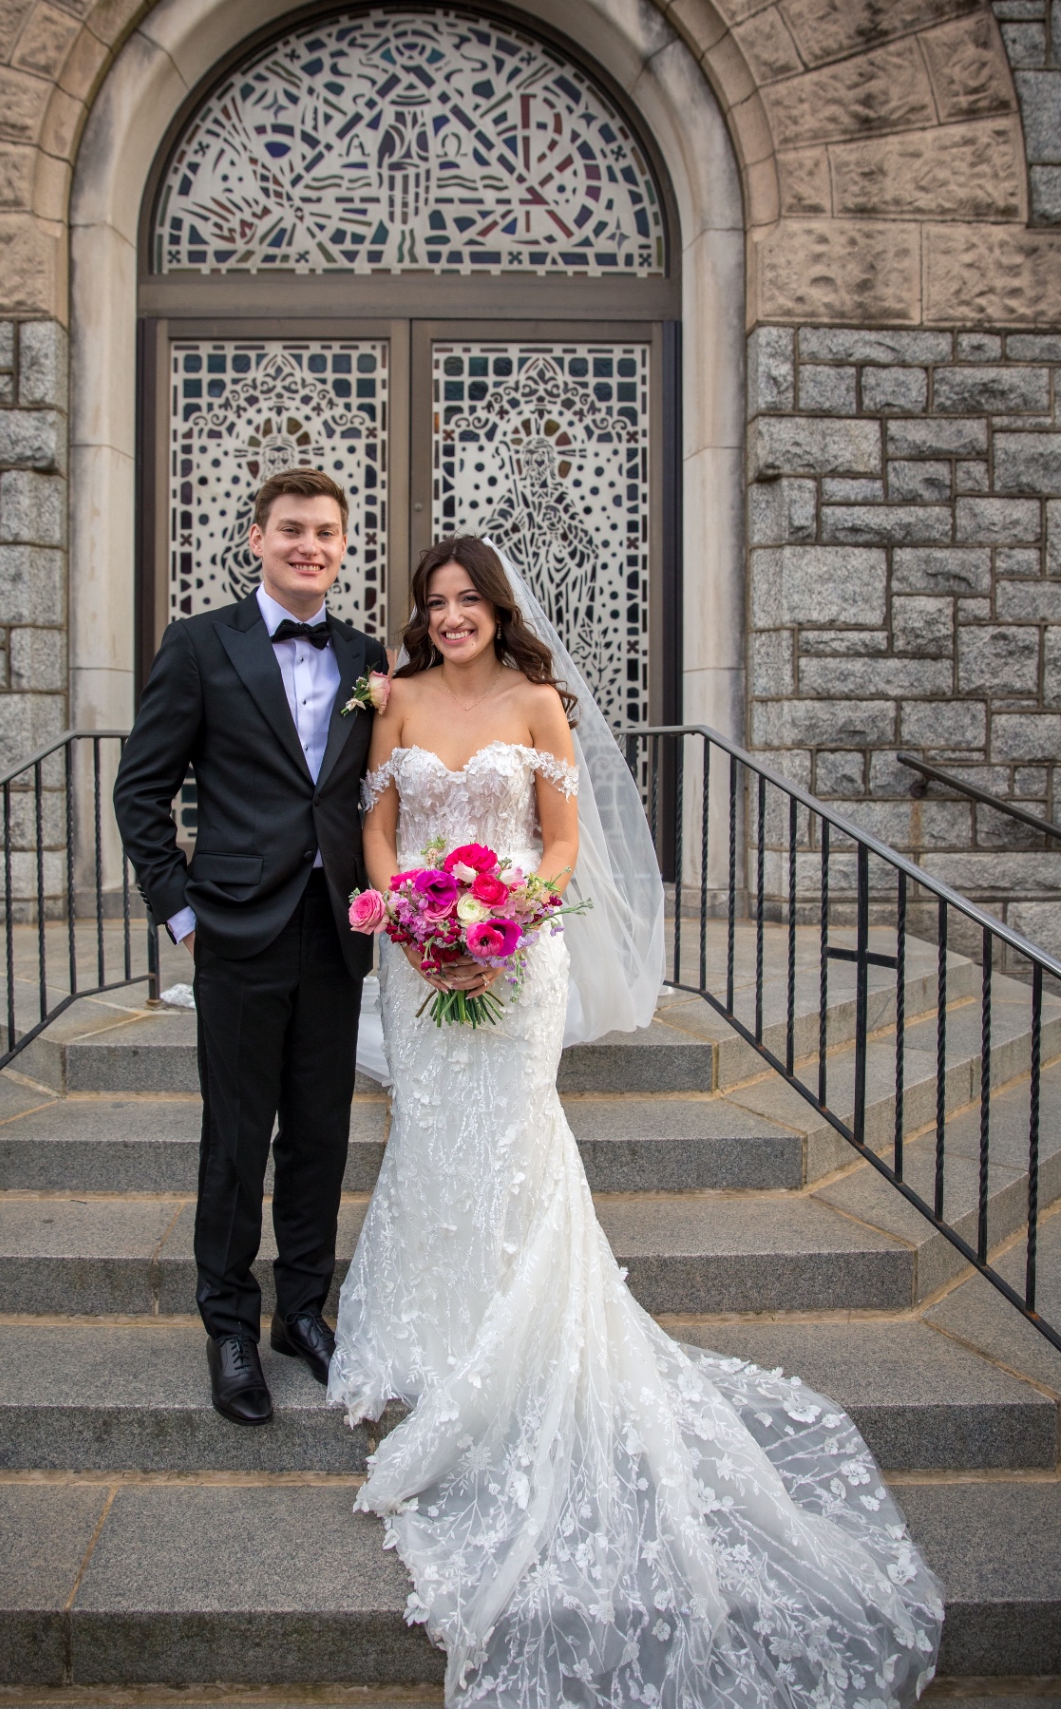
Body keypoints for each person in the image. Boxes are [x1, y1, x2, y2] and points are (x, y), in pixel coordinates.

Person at [328, 535, 944, 1709]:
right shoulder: (395, 699)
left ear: (497, 610)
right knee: (432, 1132)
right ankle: (435, 1321)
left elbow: (562, 845)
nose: (451, 615)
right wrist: (409, 920)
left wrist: (500, 917)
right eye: (434, 602)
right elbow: (378, 825)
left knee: (511, 1130)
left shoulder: (538, 699)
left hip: (515, 949)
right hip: (413, 954)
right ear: (418, 617)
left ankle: (522, 1328)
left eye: (467, 600)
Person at [113, 469, 388, 1427]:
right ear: (256, 539)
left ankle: (300, 1313)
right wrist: (178, 911)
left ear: (344, 547)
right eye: (291, 531)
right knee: (235, 1138)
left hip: (336, 929)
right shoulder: (198, 646)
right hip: (234, 927)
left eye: (325, 532)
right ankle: (228, 1325)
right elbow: (140, 791)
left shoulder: (366, 656)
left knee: (318, 1134)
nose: (309, 545)